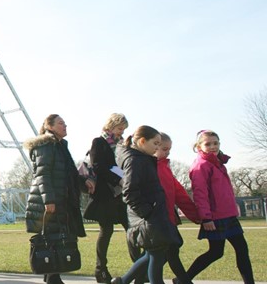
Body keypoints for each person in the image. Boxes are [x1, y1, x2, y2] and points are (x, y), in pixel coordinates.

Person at [25, 114, 95, 284]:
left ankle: (52, 277)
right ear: (50, 126)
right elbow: (43, 175)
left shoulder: (60, 146)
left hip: (62, 201)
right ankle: (52, 278)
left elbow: (70, 173)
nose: (65, 125)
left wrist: (84, 182)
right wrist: (48, 200)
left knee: (56, 239)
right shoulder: (46, 146)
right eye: (60, 123)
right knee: (52, 240)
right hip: (50, 202)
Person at [182, 130, 254, 284]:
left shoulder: (218, 163)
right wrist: (206, 218)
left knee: (241, 249)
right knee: (215, 252)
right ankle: (183, 279)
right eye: (208, 144)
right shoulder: (200, 166)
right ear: (199, 146)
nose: (213, 146)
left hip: (228, 215)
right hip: (215, 217)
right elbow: (200, 194)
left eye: (216, 143)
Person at [112, 126, 179, 284]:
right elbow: (129, 191)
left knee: (151, 254)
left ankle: (123, 281)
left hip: (152, 215)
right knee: (156, 256)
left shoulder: (142, 158)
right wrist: (147, 213)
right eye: (155, 143)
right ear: (142, 141)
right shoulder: (135, 160)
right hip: (148, 218)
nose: (157, 148)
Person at [83, 114, 140, 283]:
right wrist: (119, 178)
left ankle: (140, 267)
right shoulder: (99, 142)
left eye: (123, 129)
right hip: (106, 193)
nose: (121, 132)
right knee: (106, 231)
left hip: (122, 193)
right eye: (119, 128)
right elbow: (99, 165)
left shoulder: (123, 144)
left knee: (131, 229)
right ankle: (101, 269)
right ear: (110, 126)